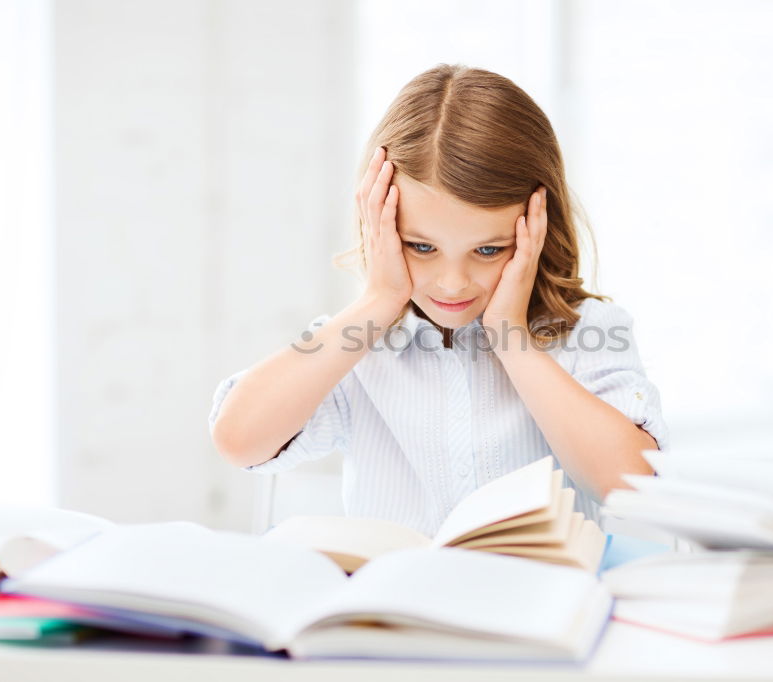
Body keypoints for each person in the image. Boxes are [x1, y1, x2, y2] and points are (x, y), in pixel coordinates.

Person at [209, 63, 668, 537]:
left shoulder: (586, 330)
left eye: (488, 250)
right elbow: (239, 439)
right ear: (380, 226)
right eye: (421, 247)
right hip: (396, 607)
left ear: (537, 227)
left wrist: (511, 337)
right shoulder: (360, 343)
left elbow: (631, 486)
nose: (452, 284)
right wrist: (380, 300)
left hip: (543, 605)